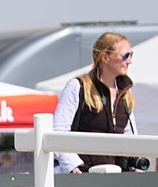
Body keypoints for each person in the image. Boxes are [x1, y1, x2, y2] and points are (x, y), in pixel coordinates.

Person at [53, 31, 140, 173]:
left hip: (116, 179)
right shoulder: (78, 86)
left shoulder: (125, 94)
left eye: (131, 55)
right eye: (125, 56)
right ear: (105, 58)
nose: (129, 61)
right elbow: (57, 132)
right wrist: (73, 167)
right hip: (82, 177)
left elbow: (131, 139)